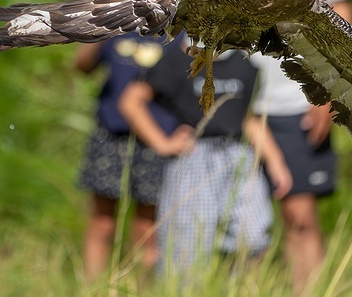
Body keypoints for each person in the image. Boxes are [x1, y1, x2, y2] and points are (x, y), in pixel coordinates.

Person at [200, 0, 352, 292]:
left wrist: (329, 93)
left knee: (300, 217)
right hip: (235, 103)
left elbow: (340, 19)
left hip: (295, 99)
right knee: (233, 222)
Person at [120, 36, 292, 277]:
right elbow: (131, 101)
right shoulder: (177, 59)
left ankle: (235, 288)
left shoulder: (243, 63)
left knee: (254, 237)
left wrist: (276, 162)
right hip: (195, 157)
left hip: (238, 156)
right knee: (188, 246)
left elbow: (248, 118)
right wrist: (162, 143)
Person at [76, 0, 181, 281]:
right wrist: (95, 24)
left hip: (157, 135)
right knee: (102, 218)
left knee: (147, 224)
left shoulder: (177, 28)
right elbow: (83, 66)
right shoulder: (111, 20)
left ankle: (142, 286)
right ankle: (93, 286)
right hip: (111, 132)